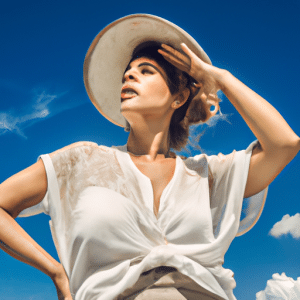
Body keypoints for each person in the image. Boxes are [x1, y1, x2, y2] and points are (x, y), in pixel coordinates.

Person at [0, 14, 299, 300]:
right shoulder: (80, 160)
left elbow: (284, 144)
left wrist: (217, 77)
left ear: (178, 97)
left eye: (146, 71)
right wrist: (56, 272)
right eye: (128, 72)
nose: (129, 74)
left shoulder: (206, 174)